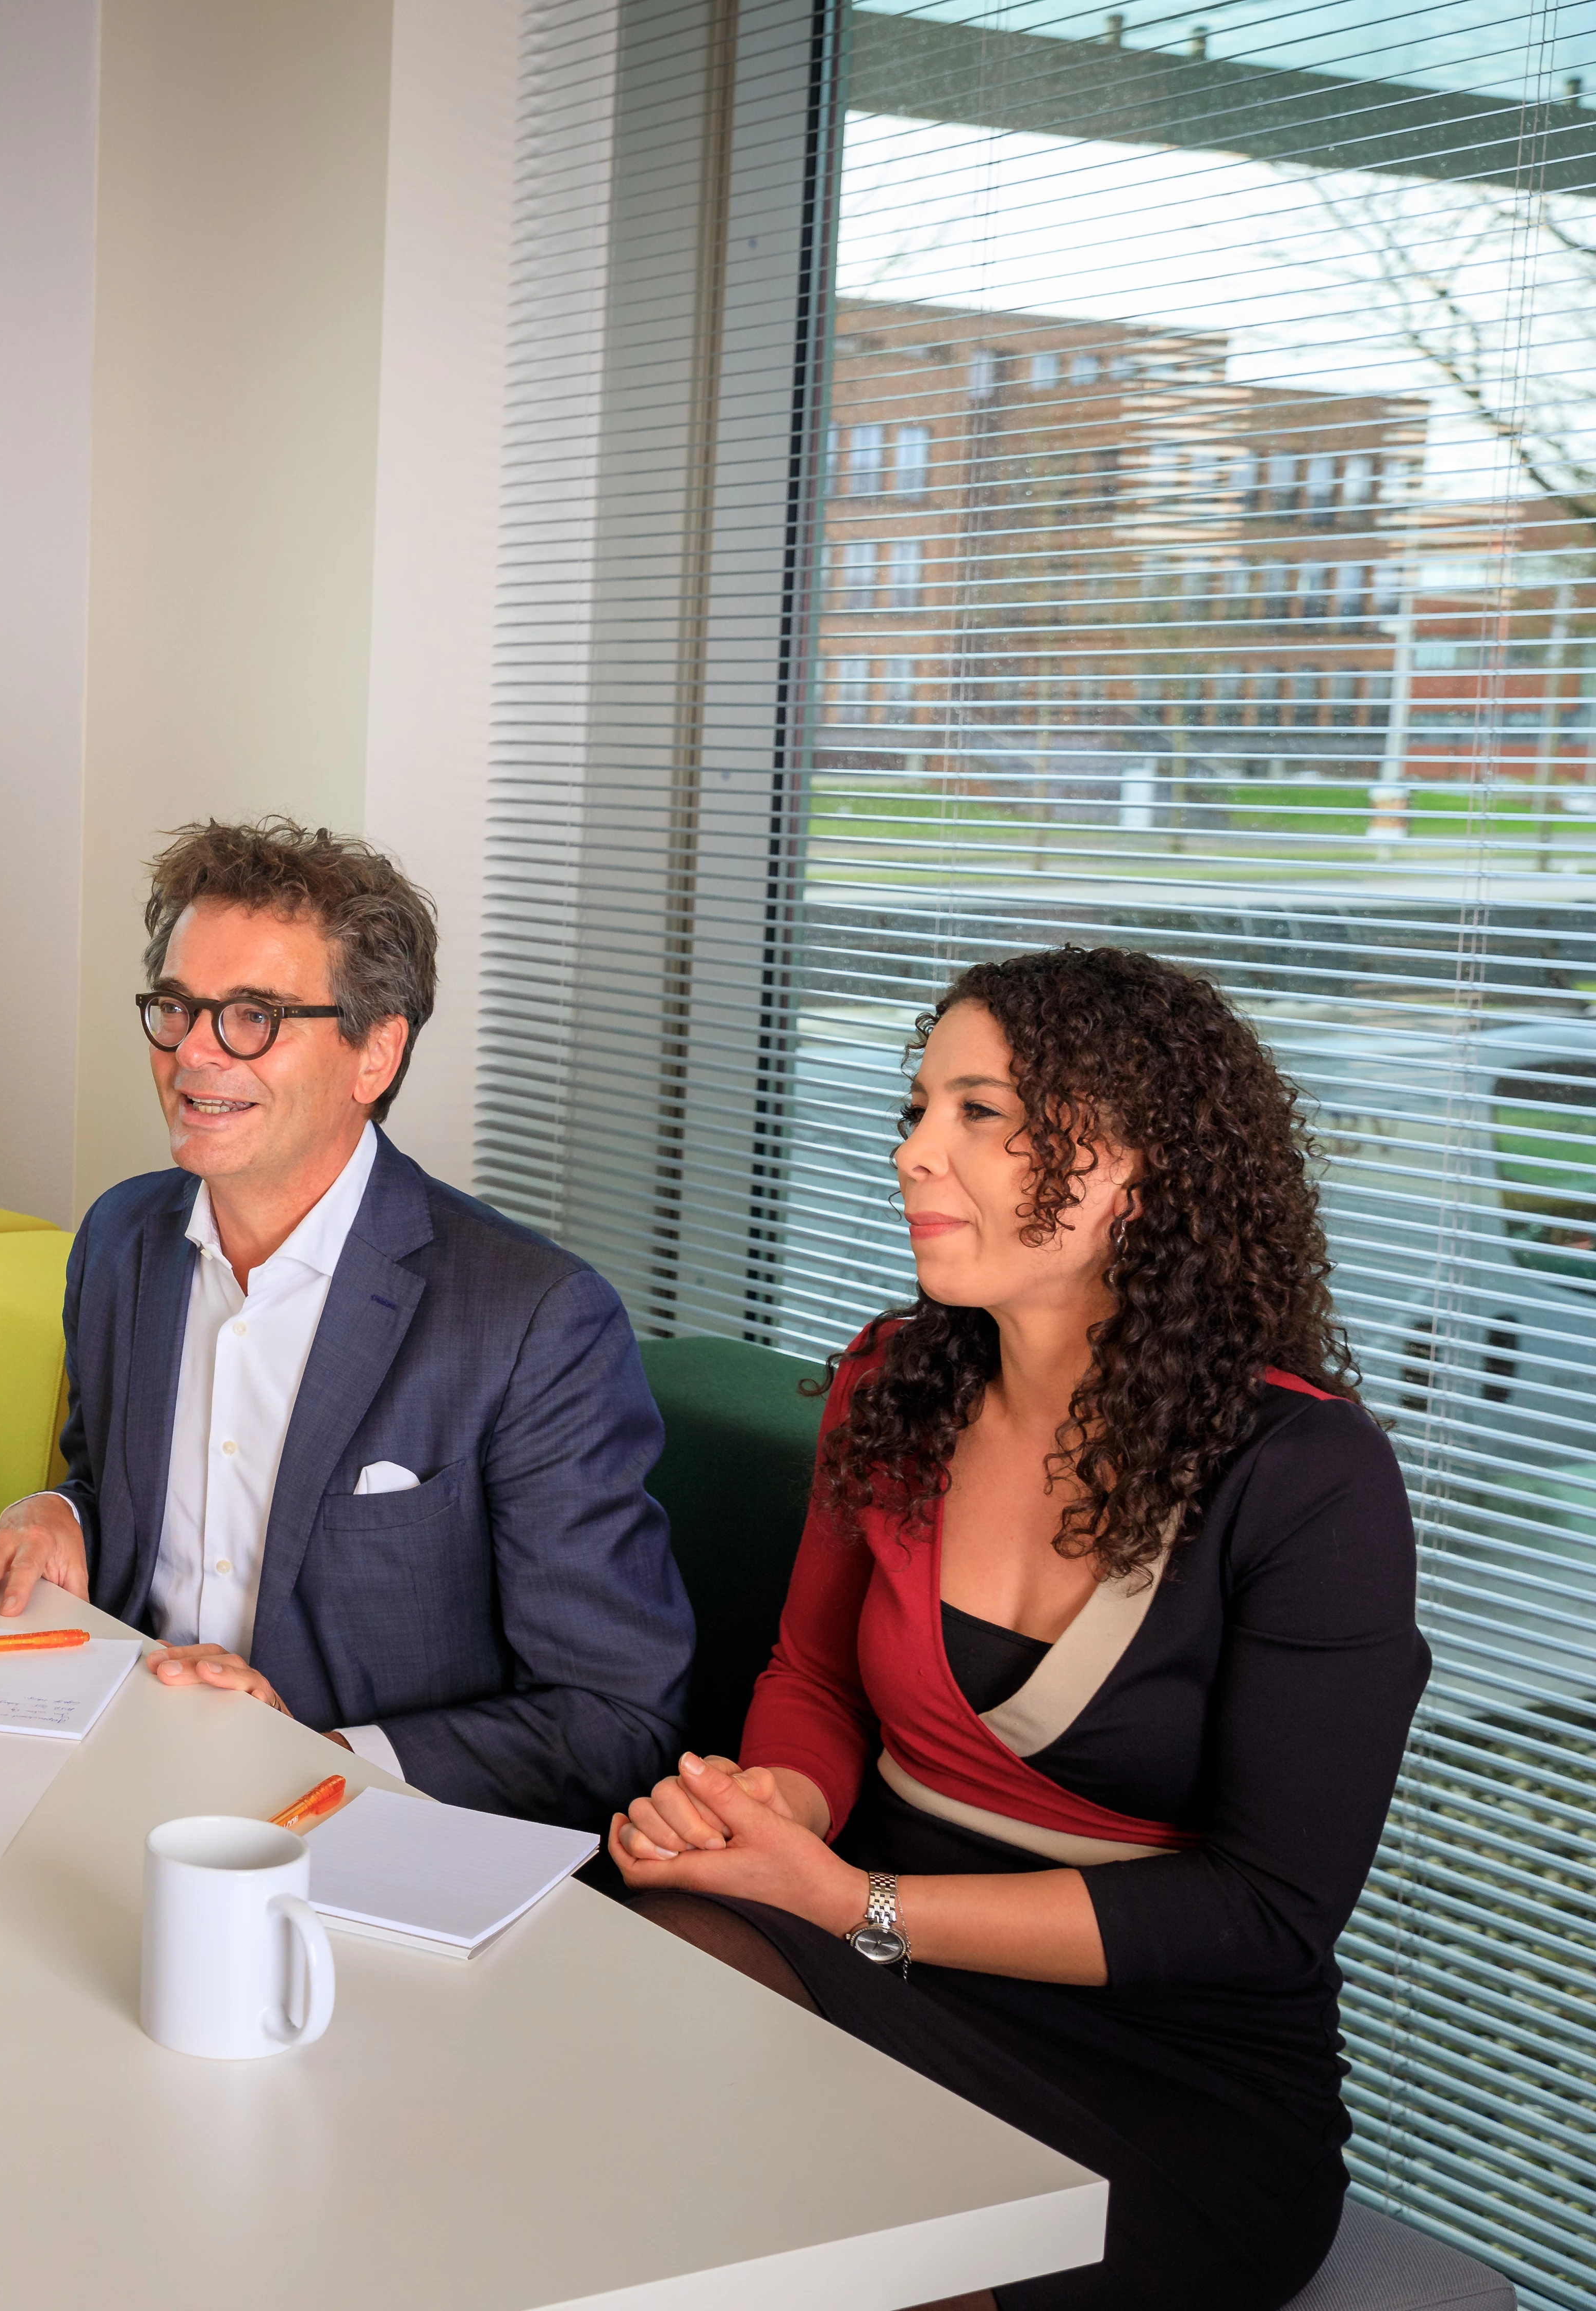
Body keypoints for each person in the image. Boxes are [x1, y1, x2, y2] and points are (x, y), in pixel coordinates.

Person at [609, 946, 1427, 2311]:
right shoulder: (893, 1381)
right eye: (918, 1109)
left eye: (978, 1114)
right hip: (872, 1952)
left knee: (856, 2263)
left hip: (1168, 2069)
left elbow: (1268, 1911)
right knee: (602, 1984)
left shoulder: (1310, 1481)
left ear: (1135, 1166)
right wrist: (777, 1809)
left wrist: (865, 1905)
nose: (915, 1154)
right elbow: (812, 1674)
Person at [0, 818, 693, 1828]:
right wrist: (54, 1516)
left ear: (375, 1051)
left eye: (251, 1015)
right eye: (178, 1006)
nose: (194, 1051)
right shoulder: (121, 1239)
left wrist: (320, 1760)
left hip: (364, 1836)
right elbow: (128, 1498)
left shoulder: (534, 1319)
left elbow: (619, 1716)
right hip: (116, 1778)